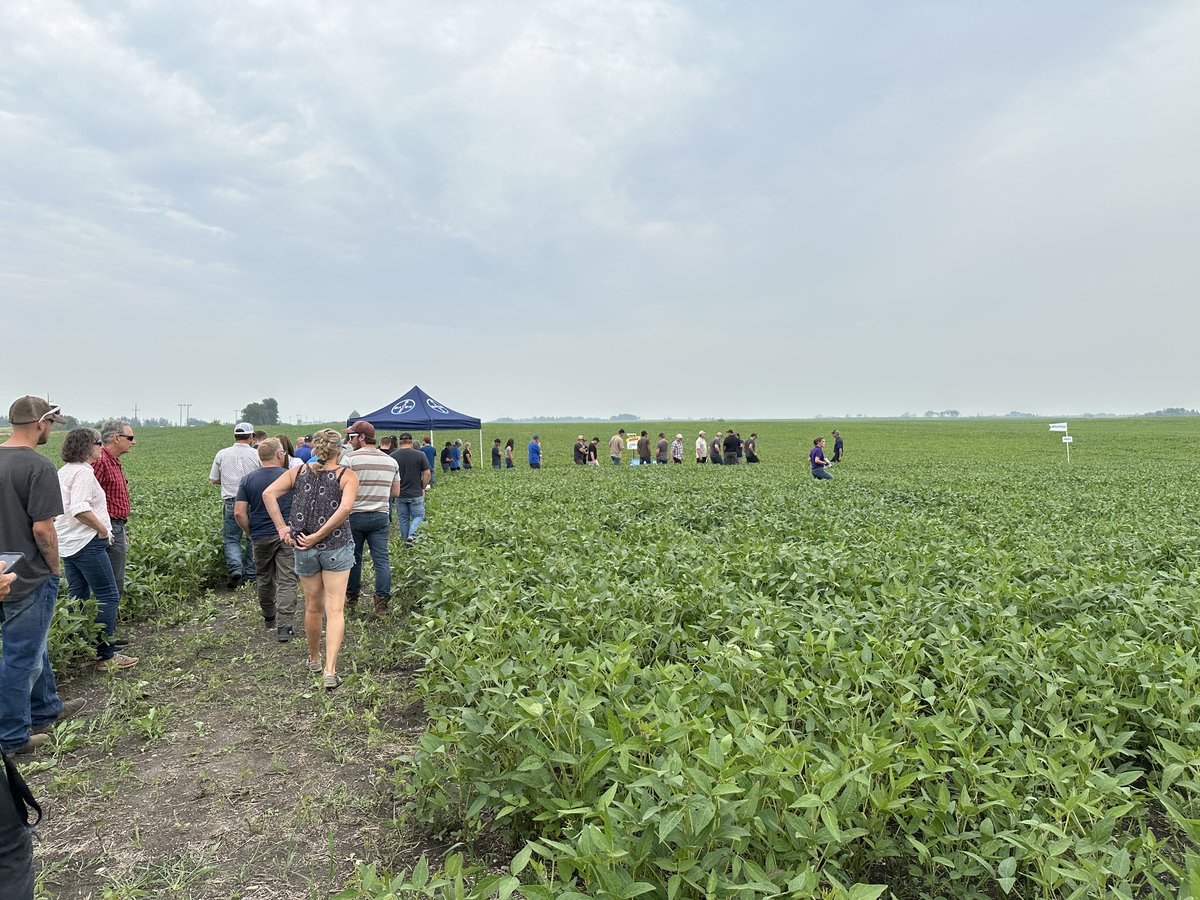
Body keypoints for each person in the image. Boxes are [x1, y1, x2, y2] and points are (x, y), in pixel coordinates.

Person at [0, 397, 84, 756]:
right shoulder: (38, 467)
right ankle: (13, 735)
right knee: (22, 655)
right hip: (28, 575)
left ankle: (46, 707)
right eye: (52, 422)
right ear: (41, 423)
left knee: (34, 645)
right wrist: (54, 567)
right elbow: (44, 531)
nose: (52, 429)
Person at [263, 429, 360, 691]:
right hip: (336, 547)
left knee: (312, 607)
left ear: (315, 448)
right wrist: (319, 535)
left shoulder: (298, 472)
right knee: (335, 609)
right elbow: (346, 509)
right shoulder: (346, 476)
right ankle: (330, 670)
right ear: (339, 449)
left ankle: (314, 659)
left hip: (303, 547)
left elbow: (268, 494)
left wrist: (283, 528)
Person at [56, 428, 137, 670]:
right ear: (86, 446)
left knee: (78, 597)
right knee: (108, 595)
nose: (101, 448)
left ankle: (74, 646)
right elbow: (79, 508)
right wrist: (103, 530)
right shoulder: (83, 472)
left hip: (69, 543)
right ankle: (105, 654)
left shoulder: (65, 471)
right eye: (98, 443)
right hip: (86, 543)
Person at [234, 439, 298, 641]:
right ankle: (285, 627)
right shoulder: (289, 476)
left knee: (264, 578)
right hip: (287, 534)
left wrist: (250, 532)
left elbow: (239, 513)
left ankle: (269, 617)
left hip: (260, 535)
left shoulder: (247, 480)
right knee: (287, 580)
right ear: (280, 455)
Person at [343, 422, 400, 616]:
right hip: (380, 515)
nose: (349, 441)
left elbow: (339, 487)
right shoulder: (391, 461)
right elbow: (396, 492)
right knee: (381, 560)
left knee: (354, 559)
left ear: (361, 438)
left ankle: (351, 600)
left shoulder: (349, 460)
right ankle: (382, 605)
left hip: (355, 515)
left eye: (352, 437)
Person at [209, 422, 260, 589]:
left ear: (235, 436)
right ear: (251, 437)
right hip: (253, 501)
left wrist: (229, 482)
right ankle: (251, 575)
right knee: (252, 536)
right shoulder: (256, 454)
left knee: (232, 538)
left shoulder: (222, 454)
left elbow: (214, 479)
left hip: (232, 500)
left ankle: (235, 568)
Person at [93, 419, 134, 596]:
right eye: (130, 437)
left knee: (115, 579)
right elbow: (88, 498)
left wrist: (121, 531)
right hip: (106, 526)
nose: (134, 441)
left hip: (115, 526)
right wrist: (105, 529)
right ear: (116, 438)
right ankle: (107, 621)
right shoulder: (100, 461)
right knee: (112, 584)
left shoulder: (112, 461)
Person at [389, 433, 431, 545]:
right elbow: (427, 473)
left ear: (400, 442)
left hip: (400, 494)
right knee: (419, 516)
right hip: (416, 492)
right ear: (411, 442)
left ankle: (405, 543)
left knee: (403, 519)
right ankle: (412, 534)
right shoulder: (420, 455)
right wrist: (423, 486)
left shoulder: (393, 456)